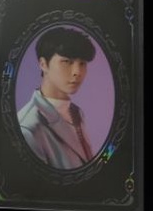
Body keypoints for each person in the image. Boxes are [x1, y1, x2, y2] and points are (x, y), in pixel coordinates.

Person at [17, 27, 97, 169]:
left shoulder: (76, 113)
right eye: (67, 61)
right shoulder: (28, 128)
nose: (77, 72)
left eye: (82, 63)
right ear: (43, 64)